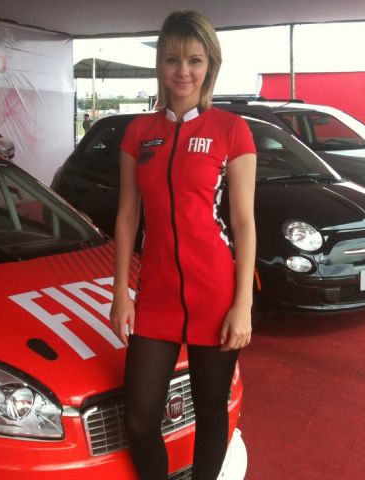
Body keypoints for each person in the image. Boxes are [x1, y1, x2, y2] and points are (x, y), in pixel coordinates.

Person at [109, 10, 256, 480]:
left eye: (195, 60)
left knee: (211, 409)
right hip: (156, 295)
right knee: (139, 419)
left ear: (210, 65)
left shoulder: (231, 130)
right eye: (172, 59)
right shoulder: (139, 132)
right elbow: (127, 216)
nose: (183, 71)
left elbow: (244, 223)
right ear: (160, 65)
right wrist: (119, 293)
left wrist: (243, 304)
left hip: (216, 293)